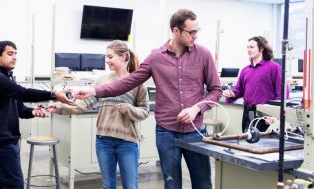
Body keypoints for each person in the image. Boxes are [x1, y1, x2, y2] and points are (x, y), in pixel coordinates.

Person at [74, 9, 222, 189]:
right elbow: (127, 83)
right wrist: (94, 91)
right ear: (176, 31)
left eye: (197, 31)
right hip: (167, 133)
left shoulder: (203, 55)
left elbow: (216, 90)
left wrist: (196, 108)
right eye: (191, 32)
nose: (195, 36)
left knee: (203, 184)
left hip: (195, 131)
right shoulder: (156, 57)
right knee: (171, 184)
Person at [48, 40, 149, 189]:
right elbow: (82, 106)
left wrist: (128, 108)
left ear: (122, 56)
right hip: (104, 141)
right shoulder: (102, 80)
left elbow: (144, 111)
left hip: (127, 142)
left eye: (110, 57)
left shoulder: (137, 83)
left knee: (130, 185)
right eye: (106, 57)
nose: (106, 61)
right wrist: (57, 107)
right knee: (108, 185)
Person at [0, 40, 73, 189]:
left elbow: (20, 109)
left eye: (16, 54)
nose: (15, 57)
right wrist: (53, 94)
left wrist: (33, 112)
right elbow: (23, 93)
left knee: (6, 180)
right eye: (10, 53)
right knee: (15, 184)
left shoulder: (7, 78)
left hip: (9, 137)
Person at [223, 36, 286, 133]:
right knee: (248, 138)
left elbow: (282, 92)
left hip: (266, 113)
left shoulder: (274, 67)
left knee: (261, 144)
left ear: (261, 48)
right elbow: (239, 90)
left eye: (251, 47)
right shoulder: (245, 70)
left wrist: (274, 114)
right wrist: (231, 93)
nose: (248, 50)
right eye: (247, 47)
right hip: (249, 110)